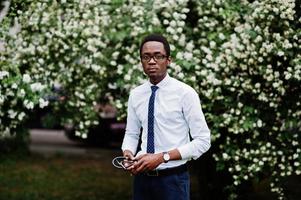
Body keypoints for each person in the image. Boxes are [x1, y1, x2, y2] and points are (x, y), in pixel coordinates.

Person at [121, 33, 211, 200]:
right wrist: (128, 154)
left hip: (173, 180)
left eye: (158, 56)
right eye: (146, 57)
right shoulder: (136, 94)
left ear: (168, 60)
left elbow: (203, 141)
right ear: (141, 61)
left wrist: (163, 157)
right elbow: (132, 133)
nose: (152, 61)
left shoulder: (185, 93)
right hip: (142, 179)